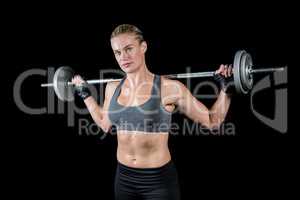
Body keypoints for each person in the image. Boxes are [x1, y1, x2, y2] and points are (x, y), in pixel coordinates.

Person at [72, 24, 232, 200]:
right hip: (123, 178)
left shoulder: (169, 88)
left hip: (158, 182)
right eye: (117, 52)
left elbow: (212, 121)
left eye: (128, 49)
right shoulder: (112, 87)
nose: (123, 57)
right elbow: (104, 123)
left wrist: (226, 89)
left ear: (143, 47)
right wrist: (85, 94)